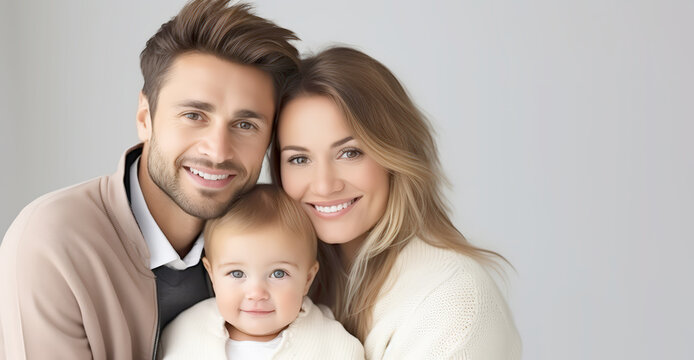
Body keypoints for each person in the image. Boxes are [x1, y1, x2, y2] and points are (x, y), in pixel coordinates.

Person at [0, 0, 299, 358]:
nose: (218, 151)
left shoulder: (283, 239)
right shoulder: (54, 242)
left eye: (246, 125)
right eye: (194, 115)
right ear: (145, 117)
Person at [271, 47, 522, 359]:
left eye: (350, 153)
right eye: (298, 158)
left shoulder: (452, 303)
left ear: (394, 155)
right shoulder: (284, 282)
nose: (324, 185)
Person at [158, 184, 363, 359]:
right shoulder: (184, 333)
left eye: (278, 274)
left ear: (307, 279)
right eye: (237, 274)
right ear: (212, 275)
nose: (256, 293)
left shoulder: (333, 345)